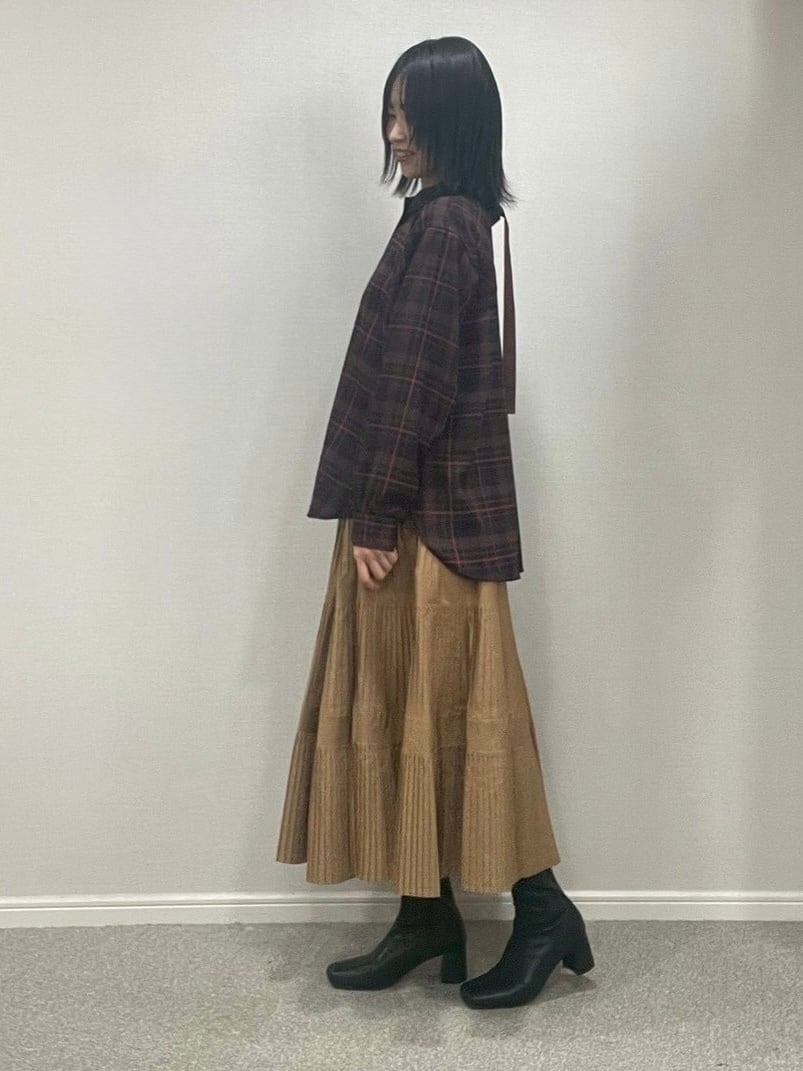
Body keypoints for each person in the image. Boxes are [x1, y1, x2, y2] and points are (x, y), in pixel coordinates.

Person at [275, 35, 594, 1010]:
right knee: (412, 707)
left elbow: (413, 382)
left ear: (455, 120)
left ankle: (543, 913)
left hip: (421, 524)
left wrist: (375, 516)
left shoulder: (448, 223)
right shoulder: (444, 218)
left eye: (408, 115)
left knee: (458, 712)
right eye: (388, 112)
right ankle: (425, 915)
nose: (392, 132)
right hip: (415, 512)